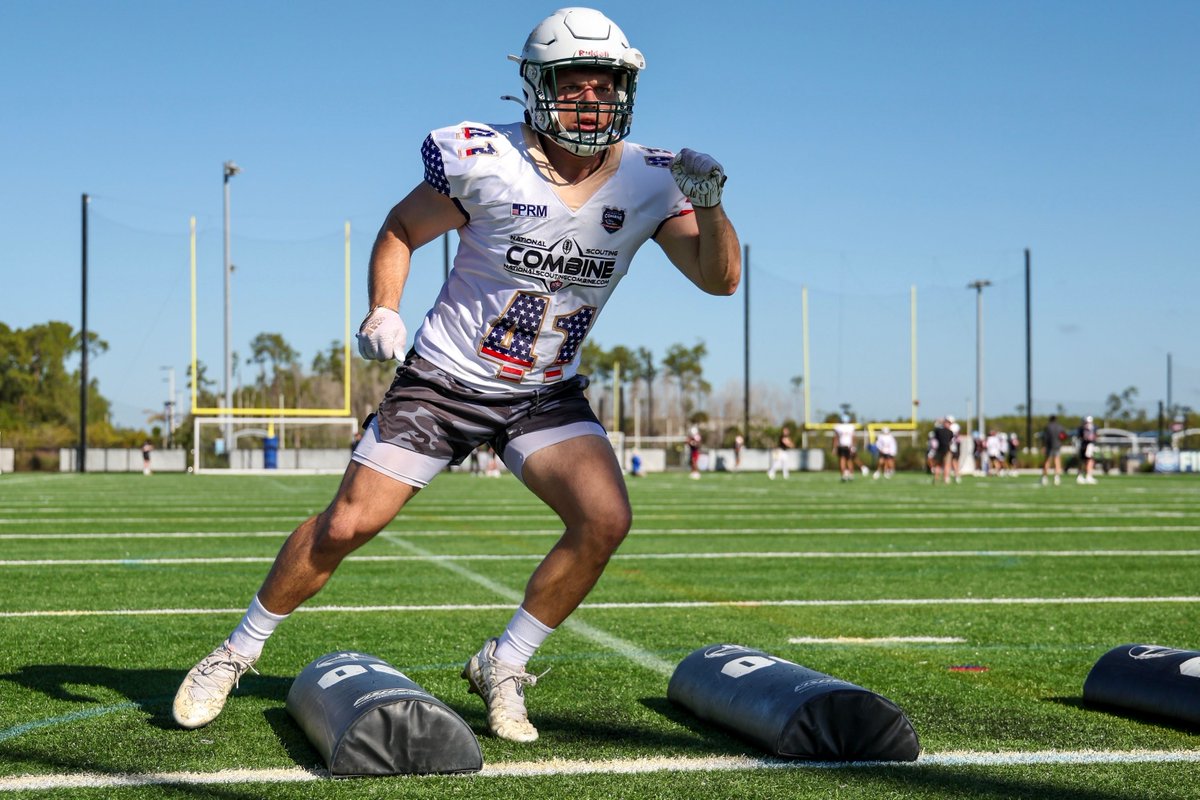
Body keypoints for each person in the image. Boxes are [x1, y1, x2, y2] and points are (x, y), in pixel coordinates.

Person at [171, 7, 741, 743]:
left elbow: (718, 280)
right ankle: (233, 653)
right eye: (576, 83)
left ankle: (503, 663)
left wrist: (714, 205)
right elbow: (401, 229)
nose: (591, 100)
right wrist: (384, 308)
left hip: (543, 391)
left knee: (605, 519)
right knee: (347, 524)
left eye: (606, 85)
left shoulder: (653, 179)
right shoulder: (485, 158)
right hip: (445, 376)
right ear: (539, 85)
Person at [1040, 414, 1065, 486]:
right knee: (1057, 461)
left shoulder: (1048, 427)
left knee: (1047, 461)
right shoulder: (1060, 427)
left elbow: (1045, 437)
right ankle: (1056, 477)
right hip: (1057, 445)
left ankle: (1044, 477)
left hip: (1049, 446)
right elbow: (1064, 436)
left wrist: (1044, 446)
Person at [832, 415, 857, 481]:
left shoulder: (838, 427)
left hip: (841, 446)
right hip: (849, 446)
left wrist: (834, 448)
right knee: (849, 460)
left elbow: (836, 438)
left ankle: (843, 475)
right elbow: (853, 437)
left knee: (842, 460)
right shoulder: (851, 427)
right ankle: (851, 475)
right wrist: (853, 446)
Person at [931, 418, 954, 484]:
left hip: (940, 450)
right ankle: (945, 479)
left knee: (938, 464)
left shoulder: (938, 430)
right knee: (946, 465)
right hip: (946, 450)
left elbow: (935, 436)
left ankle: (936, 479)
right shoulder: (950, 432)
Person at [1077, 415, 1098, 484]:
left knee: (1083, 461)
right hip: (1089, 445)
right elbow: (1093, 437)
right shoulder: (1091, 427)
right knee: (1089, 460)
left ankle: (1080, 476)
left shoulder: (1081, 428)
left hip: (1083, 445)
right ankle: (1088, 476)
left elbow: (1079, 437)